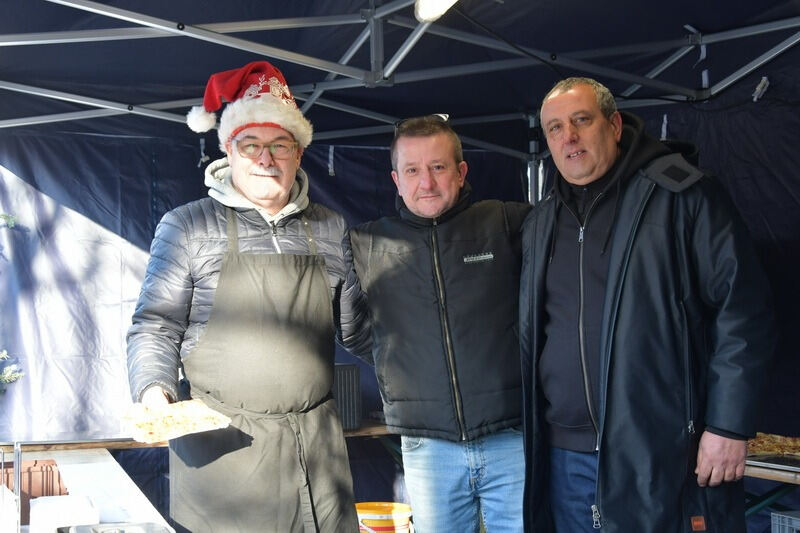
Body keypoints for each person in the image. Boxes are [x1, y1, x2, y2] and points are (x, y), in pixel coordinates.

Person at [519, 77, 776, 533]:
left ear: (615, 125)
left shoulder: (682, 195)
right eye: (555, 128)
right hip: (562, 459)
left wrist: (729, 427)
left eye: (581, 120)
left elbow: (743, 311)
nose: (569, 137)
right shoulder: (540, 222)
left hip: (659, 454)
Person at [126, 61, 368, 532]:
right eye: (250, 145)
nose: (265, 159)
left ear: (299, 153)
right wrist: (154, 391)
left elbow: (357, 329)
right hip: (224, 452)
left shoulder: (331, 226)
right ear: (228, 151)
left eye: (280, 145)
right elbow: (156, 324)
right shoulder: (189, 226)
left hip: (316, 452)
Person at [346, 115, 531, 532]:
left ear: (461, 172)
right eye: (412, 170)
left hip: (510, 438)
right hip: (427, 448)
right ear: (396, 179)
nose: (425, 182)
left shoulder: (505, 223)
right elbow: (353, 328)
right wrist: (400, 359)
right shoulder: (369, 243)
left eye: (438, 167)